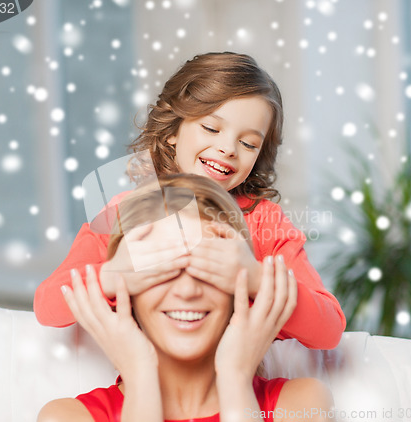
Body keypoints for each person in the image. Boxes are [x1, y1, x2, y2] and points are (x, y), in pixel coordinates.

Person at [33, 51, 346, 349]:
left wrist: (255, 278)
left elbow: (329, 329)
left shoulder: (265, 221)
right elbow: (48, 307)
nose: (228, 148)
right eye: (211, 128)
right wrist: (113, 275)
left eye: (249, 143)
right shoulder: (126, 212)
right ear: (173, 130)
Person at [37, 174, 334, 422]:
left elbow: (328, 325)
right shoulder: (67, 416)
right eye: (164, 271)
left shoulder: (301, 405)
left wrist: (236, 379)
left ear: (238, 292)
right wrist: (140, 378)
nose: (188, 290)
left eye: (207, 270)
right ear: (125, 291)